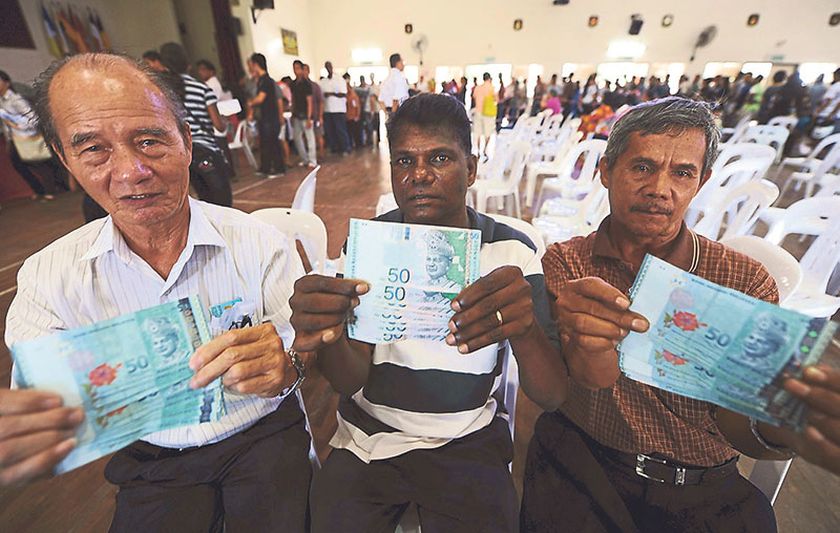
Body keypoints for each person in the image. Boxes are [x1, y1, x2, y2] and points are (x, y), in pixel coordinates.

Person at [1, 52, 312, 531]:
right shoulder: (49, 277)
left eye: (149, 140)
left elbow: (304, 353)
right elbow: (41, 403)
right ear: (64, 159)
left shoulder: (260, 243)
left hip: (263, 436)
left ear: (187, 141)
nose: (130, 172)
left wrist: (290, 364)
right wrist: (30, 430)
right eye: (93, 150)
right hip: (155, 459)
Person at [521, 96, 840, 532]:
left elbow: (740, 422)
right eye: (641, 167)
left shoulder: (742, 281)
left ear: (702, 181)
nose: (659, 189)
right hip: (586, 465)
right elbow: (577, 383)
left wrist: (785, 427)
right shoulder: (569, 263)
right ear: (606, 172)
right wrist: (579, 344)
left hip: (700, 486)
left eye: (682, 172)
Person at [291, 93, 567, 532]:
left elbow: (552, 395)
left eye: (439, 158)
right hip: (369, 437)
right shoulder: (370, 245)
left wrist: (526, 328)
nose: (419, 175)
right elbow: (348, 379)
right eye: (404, 161)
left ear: (471, 169)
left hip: (467, 437)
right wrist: (329, 333)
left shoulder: (511, 251)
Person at [159, 43, 233, 206]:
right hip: (206, 150)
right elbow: (218, 125)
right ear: (188, 65)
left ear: (164, 65)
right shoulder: (201, 88)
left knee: (204, 202)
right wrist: (225, 122)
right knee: (222, 203)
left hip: (184, 154)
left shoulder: (162, 93)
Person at [0, 70, 61, 201]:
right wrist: (9, 139)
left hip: (28, 137)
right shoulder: (2, 101)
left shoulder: (15, 99)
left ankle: (51, 190)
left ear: (7, 83)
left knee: (41, 163)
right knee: (21, 164)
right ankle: (41, 190)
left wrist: (19, 127)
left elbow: (32, 118)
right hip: (15, 140)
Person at [246, 52, 286, 177]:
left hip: (270, 117)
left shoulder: (267, 81)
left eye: (251, 64)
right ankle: (266, 167)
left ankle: (279, 169)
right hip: (264, 117)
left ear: (255, 64)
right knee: (265, 143)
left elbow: (261, 98)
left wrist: (251, 102)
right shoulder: (259, 81)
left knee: (272, 143)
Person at [195, 59, 236, 175]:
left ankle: (228, 171)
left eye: (203, 70)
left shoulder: (212, 85)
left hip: (216, 119)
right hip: (217, 119)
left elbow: (211, 104)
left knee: (222, 147)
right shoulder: (209, 84)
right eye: (199, 70)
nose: (200, 73)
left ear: (211, 71)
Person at [320, 61, 352, 155]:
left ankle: (346, 148)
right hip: (327, 109)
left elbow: (343, 94)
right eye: (326, 67)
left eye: (329, 66)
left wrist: (331, 94)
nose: (328, 68)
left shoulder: (339, 79)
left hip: (338, 109)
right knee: (330, 130)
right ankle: (334, 148)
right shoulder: (323, 81)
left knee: (340, 129)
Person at [290, 60, 317, 168]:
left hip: (306, 114)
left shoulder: (306, 84)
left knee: (309, 137)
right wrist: (292, 112)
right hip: (297, 114)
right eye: (294, 68)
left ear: (302, 69)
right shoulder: (293, 84)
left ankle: (312, 160)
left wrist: (310, 117)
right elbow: (293, 99)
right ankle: (304, 158)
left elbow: (309, 101)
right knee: (297, 137)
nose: (295, 71)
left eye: (297, 68)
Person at [471, 72, 496, 157]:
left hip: (478, 112)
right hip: (487, 113)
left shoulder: (478, 88)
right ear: (489, 78)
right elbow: (496, 99)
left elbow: (474, 97)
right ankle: (484, 150)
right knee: (488, 133)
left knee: (478, 132)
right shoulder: (491, 87)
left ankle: (477, 151)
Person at [304, 63, 326, 154]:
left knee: (318, 135)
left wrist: (320, 116)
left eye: (305, 70)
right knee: (306, 137)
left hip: (315, 115)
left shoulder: (315, 86)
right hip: (304, 116)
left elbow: (321, 101)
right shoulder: (299, 86)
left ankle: (321, 153)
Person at [344, 73, 362, 149]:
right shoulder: (345, 95)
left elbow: (357, 106)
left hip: (353, 117)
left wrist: (357, 115)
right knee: (349, 132)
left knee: (355, 132)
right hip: (347, 117)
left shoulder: (352, 95)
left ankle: (358, 145)